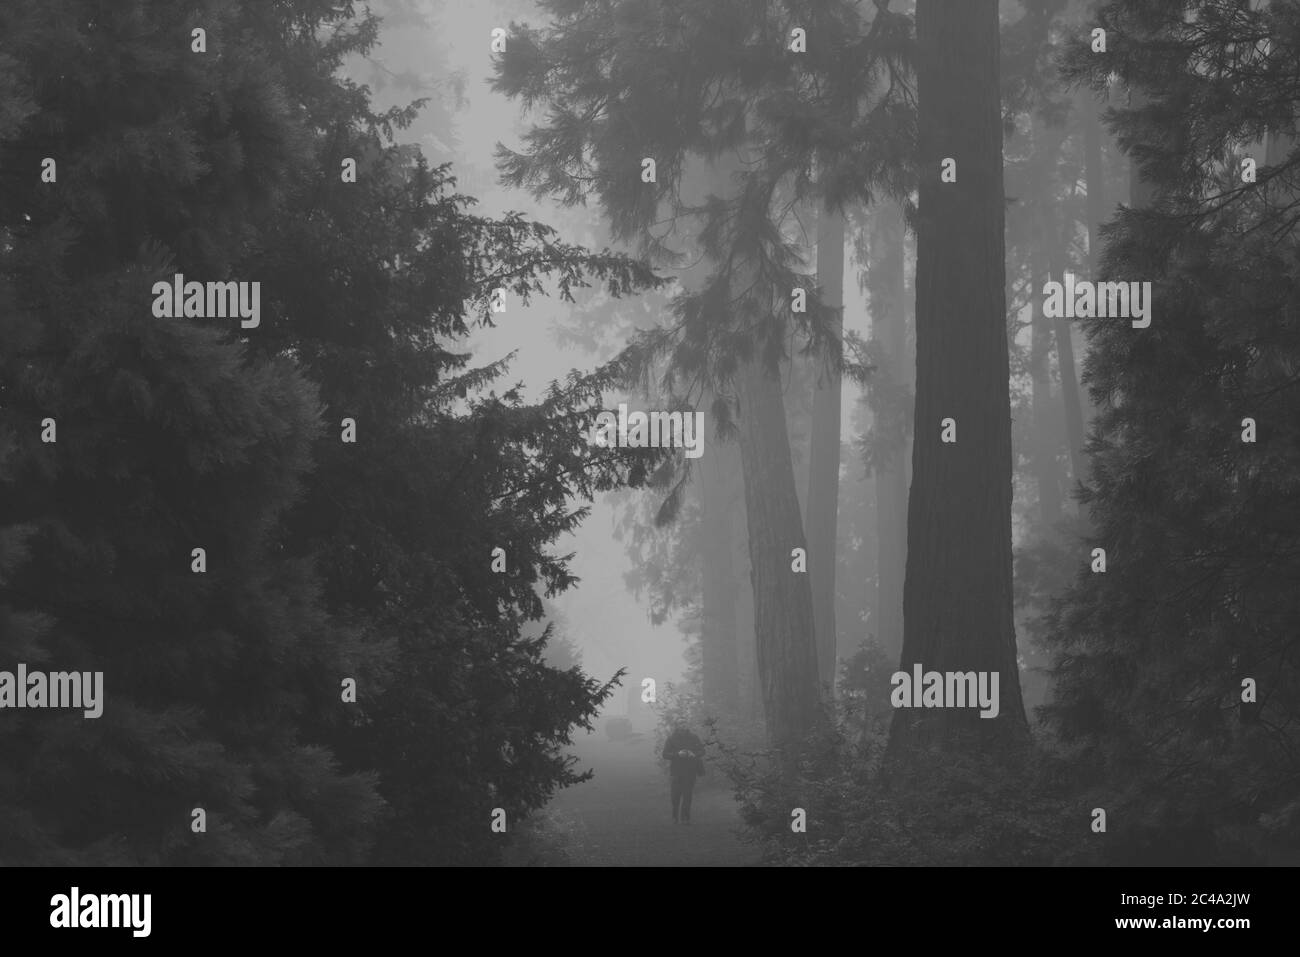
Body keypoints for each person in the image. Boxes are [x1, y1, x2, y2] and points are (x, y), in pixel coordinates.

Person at [662, 724, 706, 824]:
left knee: (687, 795)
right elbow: (665, 754)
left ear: (687, 726)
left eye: (684, 723)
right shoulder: (671, 739)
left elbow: (702, 751)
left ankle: (685, 818)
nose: (682, 726)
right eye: (680, 723)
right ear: (677, 726)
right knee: (675, 795)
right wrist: (677, 754)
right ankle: (675, 816)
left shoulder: (694, 738)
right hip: (676, 771)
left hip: (691, 770)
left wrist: (693, 754)